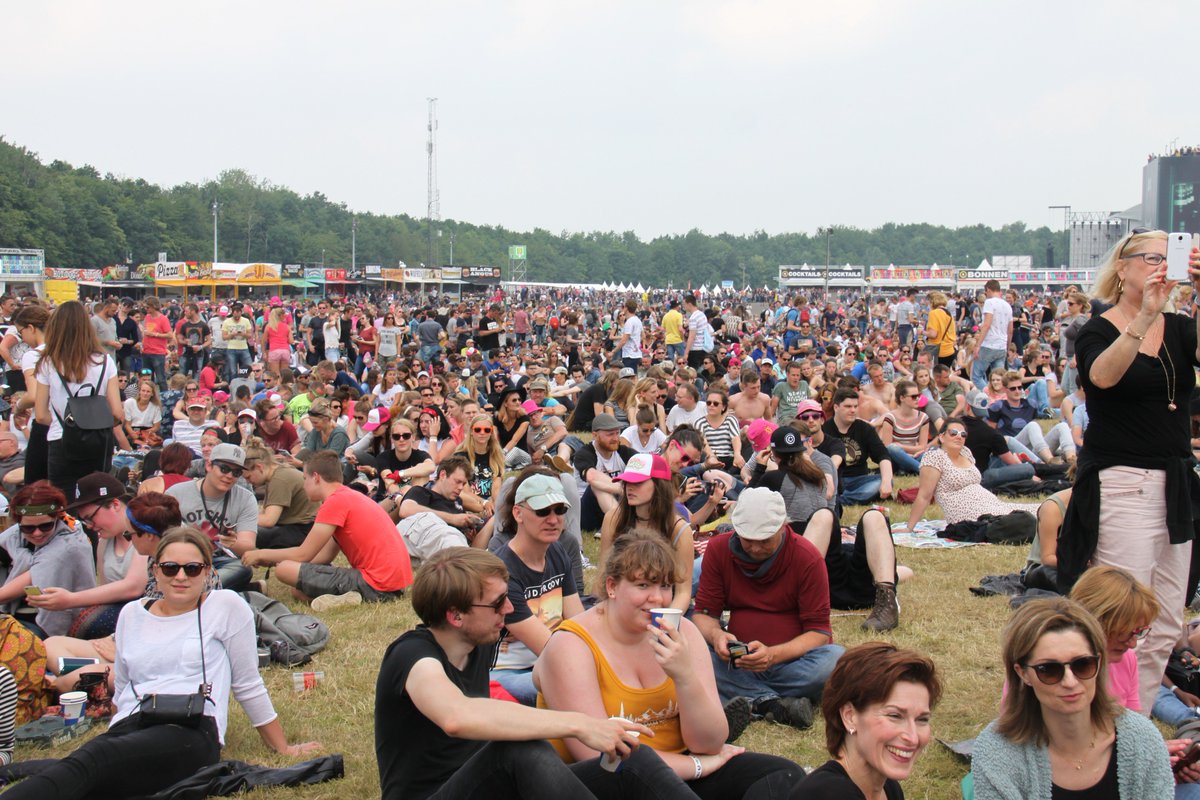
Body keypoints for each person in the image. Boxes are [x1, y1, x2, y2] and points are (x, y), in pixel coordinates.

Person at [1, 527, 320, 800]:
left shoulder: (224, 607)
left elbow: (248, 684)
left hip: (190, 729)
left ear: (208, 572)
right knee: (86, 772)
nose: (181, 576)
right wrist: (117, 731)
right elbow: (124, 686)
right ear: (155, 571)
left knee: (93, 760)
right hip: (132, 724)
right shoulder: (132, 614)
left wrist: (283, 748)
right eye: (170, 568)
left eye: (192, 568)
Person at [375, 546, 674, 800]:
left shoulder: (480, 643)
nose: (509, 608)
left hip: (490, 785)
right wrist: (579, 724)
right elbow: (456, 716)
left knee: (633, 759)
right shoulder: (412, 656)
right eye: (496, 603)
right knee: (519, 751)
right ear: (455, 616)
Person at [537, 533, 805, 796]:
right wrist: (696, 766)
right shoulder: (571, 645)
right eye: (643, 585)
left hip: (678, 771)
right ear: (612, 587)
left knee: (783, 774)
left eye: (665, 586)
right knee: (633, 758)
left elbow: (710, 743)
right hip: (608, 783)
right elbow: (600, 757)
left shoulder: (683, 633)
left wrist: (684, 676)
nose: (658, 598)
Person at [1059, 229, 1200, 715]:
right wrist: (1144, 316)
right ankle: (1098, 712)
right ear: (1123, 267)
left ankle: (1131, 720)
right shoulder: (1098, 328)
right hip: (1123, 480)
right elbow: (1101, 377)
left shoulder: (1181, 327)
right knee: (1121, 614)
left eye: (1170, 256)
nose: (1162, 266)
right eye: (1152, 257)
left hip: (1175, 480)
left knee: (1164, 618)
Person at [972, 597, 1173, 799]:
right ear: (1023, 673)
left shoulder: (1142, 740)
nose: (1070, 681)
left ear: (1099, 662)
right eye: (1049, 670)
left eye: (1082, 665)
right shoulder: (997, 751)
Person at [693, 486, 844, 729]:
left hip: (792, 663)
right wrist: (717, 635)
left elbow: (819, 633)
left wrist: (773, 655)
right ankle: (772, 704)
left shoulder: (807, 557)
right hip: (736, 661)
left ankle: (748, 697)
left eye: (764, 540)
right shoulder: (719, 550)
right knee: (686, 643)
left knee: (836, 660)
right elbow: (704, 614)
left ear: (783, 527)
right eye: (747, 540)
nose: (754, 548)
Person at [752, 426, 901, 632]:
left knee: (825, 516)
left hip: (820, 582)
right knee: (874, 516)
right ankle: (886, 599)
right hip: (860, 588)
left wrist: (759, 468)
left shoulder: (774, 479)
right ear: (803, 449)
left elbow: (748, 508)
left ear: (774, 455)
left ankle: (792, 596)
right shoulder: (821, 476)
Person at [242, 451, 412, 610]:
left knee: (284, 570)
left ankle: (350, 597)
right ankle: (344, 598)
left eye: (305, 478)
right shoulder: (347, 496)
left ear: (316, 478)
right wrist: (275, 560)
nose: (304, 484)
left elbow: (303, 554)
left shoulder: (334, 502)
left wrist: (260, 554)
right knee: (297, 591)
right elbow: (325, 556)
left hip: (376, 584)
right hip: (393, 584)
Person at [794, 642, 941, 800]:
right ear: (850, 716)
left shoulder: (888, 787)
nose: (913, 738)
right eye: (895, 716)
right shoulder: (825, 795)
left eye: (922, 719)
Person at [489, 471, 582, 706]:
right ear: (518, 513)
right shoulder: (502, 571)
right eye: (542, 511)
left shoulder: (557, 551)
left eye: (560, 510)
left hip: (550, 659)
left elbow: (578, 621)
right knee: (574, 687)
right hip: (507, 671)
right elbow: (548, 648)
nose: (553, 520)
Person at [34, 300, 131, 496]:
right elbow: (117, 413)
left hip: (60, 439)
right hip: (98, 440)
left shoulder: (48, 362)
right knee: (96, 500)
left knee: (64, 501)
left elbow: (41, 415)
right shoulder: (104, 361)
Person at [901, 417, 1039, 529]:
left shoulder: (966, 452)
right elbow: (924, 496)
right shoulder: (935, 457)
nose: (958, 437)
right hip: (970, 515)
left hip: (992, 505)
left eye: (963, 434)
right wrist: (909, 527)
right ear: (942, 437)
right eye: (953, 433)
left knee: (1041, 509)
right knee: (1025, 520)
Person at [597, 452, 693, 612]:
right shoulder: (612, 519)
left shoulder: (679, 529)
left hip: (663, 606)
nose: (629, 488)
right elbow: (603, 577)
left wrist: (663, 623)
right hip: (621, 606)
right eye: (626, 482)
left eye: (638, 482)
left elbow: (683, 593)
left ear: (658, 485)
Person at [0, 481, 95, 638]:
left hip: (51, 627)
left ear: (56, 518)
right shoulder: (15, 536)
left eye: (45, 526)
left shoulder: (70, 545)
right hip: (16, 616)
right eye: (28, 528)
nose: (37, 533)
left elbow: (16, 587)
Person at [166, 443, 256, 592]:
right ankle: (206, 589)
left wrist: (233, 543)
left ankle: (195, 589)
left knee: (242, 568)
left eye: (236, 472)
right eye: (224, 469)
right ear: (208, 465)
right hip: (180, 559)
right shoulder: (176, 493)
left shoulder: (245, 498)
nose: (229, 476)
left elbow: (248, 546)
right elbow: (161, 537)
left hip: (218, 560)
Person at [395, 456, 486, 560]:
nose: (461, 487)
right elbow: (405, 510)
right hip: (433, 542)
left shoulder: (458, 502)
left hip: (458, 547)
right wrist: (453, 519)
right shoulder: (422, 492)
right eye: (457, 481)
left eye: (464, 484)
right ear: (443, 475)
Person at [241, 440, 318, 550]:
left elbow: (268, 520)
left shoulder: (279, 479)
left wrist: (239, 519)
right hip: (305, 528)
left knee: (244, 534)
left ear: (259, 467)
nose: (248, 482)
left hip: (303, 531)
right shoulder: (279, 472)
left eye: (248, 477)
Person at [823, 388, 893, 505]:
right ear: (836, 407)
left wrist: (886, 481)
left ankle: (841, 500)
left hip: (860, 479)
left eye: (855, 406)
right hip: (834, 479)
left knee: (883, 480)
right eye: (848, 406)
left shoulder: (865, 428)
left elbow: (883, 455)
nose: (853, 410)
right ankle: (854, 497)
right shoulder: (824, 429)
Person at [572, 413, 638, 531]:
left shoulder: (623, 452)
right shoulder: (585, 453)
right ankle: (622, 526)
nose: (615, 438)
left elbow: (645, 465)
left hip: (616, 503)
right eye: (610, 434)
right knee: (597, 486)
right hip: (587, 512)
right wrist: (623, 489)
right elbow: (592, 477)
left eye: (617, 433)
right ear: (595, 435)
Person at [971, 279, 1013, 390]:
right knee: (998, 379)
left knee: (976, 376)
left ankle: (988, 395)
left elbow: (987, 324)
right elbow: (1010, 330)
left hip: (989, 344)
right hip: (1002, 346)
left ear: (988, 290)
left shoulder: (989, 302)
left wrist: (977, 345)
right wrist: (1008, 347)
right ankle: (997, 398)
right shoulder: (1007, 306)